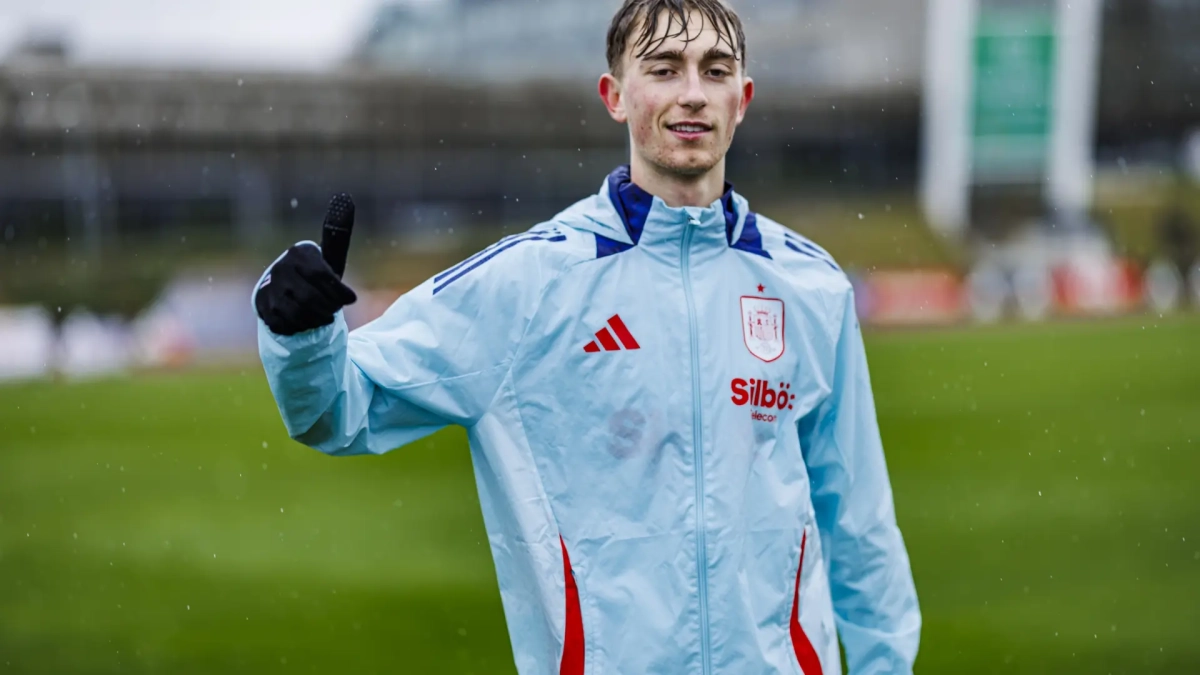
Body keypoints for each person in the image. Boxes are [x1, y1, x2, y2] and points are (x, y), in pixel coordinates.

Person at [252, 0, 920, 672]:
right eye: (663, 68)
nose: (692, 92)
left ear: (742, 99)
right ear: (615, 95)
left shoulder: (811, 286)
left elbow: (859, 526)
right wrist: (302, 334)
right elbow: (338, 408)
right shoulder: (527, 284)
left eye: (714, 70)